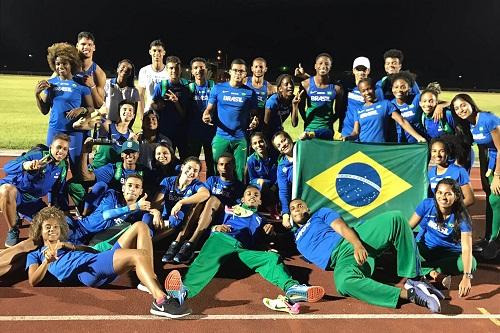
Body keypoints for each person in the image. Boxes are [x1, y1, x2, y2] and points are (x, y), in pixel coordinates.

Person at [164, 185, 325, 309]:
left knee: (272, 258)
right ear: (242, 199)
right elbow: (207, 224)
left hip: (240, 253)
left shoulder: (262, 221)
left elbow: (260, 245)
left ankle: (292, 289)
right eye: (249, 194)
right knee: (209, 254)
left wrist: (269, 235)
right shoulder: (230, 210)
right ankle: (182, 292)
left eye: (256, 195)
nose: (253, 197)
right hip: (222, 241)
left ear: (260, 201)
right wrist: (215, 228)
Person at [25, 206, 190, 318]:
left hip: (97, 259)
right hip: (88, 271)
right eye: (47, 227)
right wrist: (46, 262)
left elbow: (93, 252)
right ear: (39, 230)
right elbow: (33, 280)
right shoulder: (36, 255)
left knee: (140, 226)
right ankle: (160, 300)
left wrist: (72, 246)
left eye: (56, 227)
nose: (52, 229)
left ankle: (149, 281)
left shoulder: (67, 244)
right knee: (138, 255)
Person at [288, 198, 443, 313]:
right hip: (341, 260)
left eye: (299, 205)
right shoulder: (295, 239)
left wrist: (357, 244)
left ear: (307, 209)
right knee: (343, 284)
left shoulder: (320, 214)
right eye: (292, 208)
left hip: (354, 240)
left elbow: (341, 227)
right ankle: (410, 294)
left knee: (395, 218)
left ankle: (414, 278)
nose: (296, 209)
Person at [163, 153, 244, 264]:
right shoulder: (212, 180)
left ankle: (192, 242)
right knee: (200, 199)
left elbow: (236, 209)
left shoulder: (239, 186)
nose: (224, 167)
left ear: (234, 166)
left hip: (220, 218)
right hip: (204, 216)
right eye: (221, 164)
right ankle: (178, 241)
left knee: (213, 199)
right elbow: (202, 195)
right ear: (217, 166)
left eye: (228, 165)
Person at [451, 94, 500, 259]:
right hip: (490, 162)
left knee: (495, 199)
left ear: (471, 104)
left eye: (463, 105)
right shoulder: (469, 125)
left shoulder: (488, 119)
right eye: (457, 108)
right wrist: (485, 172)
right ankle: (488, 237)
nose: (460, 110)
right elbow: (482, 148)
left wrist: (498, 175)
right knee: (489, 198)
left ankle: (495, 241)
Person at [409, 179, 476, 296]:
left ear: (456, 196)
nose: (443, 197)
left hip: (449, 254)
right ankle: (433, 273)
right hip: (426, 249)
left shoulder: (462, 217)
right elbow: (408, 228)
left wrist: (467, 277)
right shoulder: (426, 204)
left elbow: (467, 248)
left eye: (448, 194)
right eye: (439, 193)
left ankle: (426, 270)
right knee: (401, 252)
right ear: (435, 194)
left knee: (472, 264)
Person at [0, 134, 70, 247]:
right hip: (16, 193)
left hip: (32, 202)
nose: (61, 151)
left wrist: (54, 207)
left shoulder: (62, 167)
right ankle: (13, 229)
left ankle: (18, 213)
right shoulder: (37, 155)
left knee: (50, 230)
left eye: (65, 149)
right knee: (6, 190)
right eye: (58, 147)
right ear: (51, 147)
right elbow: (8, 167)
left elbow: (58, 191)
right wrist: (25, 165)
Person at [34, 42, 94, 173]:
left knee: (77, 168)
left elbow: (91, 108)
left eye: (64, 63)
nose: (60, 66)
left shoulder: (81, 85)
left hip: (74, 132)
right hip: (55, 131)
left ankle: (77, 193)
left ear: (71, 64)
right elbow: (44, 110)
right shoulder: (51, 84)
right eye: (57, 64)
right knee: (51, 168)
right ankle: (54, 194)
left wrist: (81, 110)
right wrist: (37, 94)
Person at [202, 59, 259, 181]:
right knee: (217, 168)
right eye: (235, 70)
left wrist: (254, 121)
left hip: (240, 138)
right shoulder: (218, 88)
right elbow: (209, 109)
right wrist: (206, 114)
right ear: (230, 72)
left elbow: (254, 114)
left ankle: (237, 196)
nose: (238, 73)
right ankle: (215, 194)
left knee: (239, 171)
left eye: (241, 71)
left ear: (245, 74)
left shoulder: (250, 93)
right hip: (221, 136)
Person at [152, 156, 210, 262]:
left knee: (176, 217)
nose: (191, 172)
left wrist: (181, 202)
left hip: (179, 222)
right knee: (147, 217)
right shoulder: (168, 181)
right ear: (182, 167)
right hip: (163, 217)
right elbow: (155, 203)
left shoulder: (195, 184)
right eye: (189, 168)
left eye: (195, 170)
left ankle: (149, 242)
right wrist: (156, 213)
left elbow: (205, 193)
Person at [341, 78, 426, 143]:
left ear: (374, 89)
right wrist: (348, 138)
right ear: (360, 93)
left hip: (381, 149)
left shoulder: (385, 104)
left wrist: (419, 137)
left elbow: (402, 121)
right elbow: (355, 132)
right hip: (364, 148)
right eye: (363, 91)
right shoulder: (358, 111)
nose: (367, 92)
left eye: (369, 89)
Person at [75, 100, 137, 170]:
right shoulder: (107, 125)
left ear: (133, 116)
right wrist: (98, 113)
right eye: (124, 109)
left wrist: (131, 144)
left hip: (114, 173)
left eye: (130, 110)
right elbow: (78, 126)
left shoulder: (131, 136)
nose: (127, 112)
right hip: (97, 168)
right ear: (119, 112)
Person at [151, 56, 192, 159]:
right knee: (166, 160)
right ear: (167, 69)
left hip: (183, 131)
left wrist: (176, 102)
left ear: (180, 69)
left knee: (185, 160)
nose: (174, 71)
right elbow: (152, 103)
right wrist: (157, 106)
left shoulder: (187, 87)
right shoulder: (161, 86)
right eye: (171, 68)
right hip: (165, 131)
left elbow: (184, 114)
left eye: (176, 68)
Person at [297, 53, 344, 140]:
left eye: (327, 64)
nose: (323, 66)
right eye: (320, 63)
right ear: (315, 66)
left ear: (330, 67)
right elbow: (301, 108)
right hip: (308, 131)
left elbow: (338, 112)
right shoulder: (305, 84)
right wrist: (307, 121)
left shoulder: (337, 88)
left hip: (327, 131)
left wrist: (328, 123)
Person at [186, 57, 216, 178]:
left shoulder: (213, 86)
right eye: (195, 68)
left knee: (211, 163)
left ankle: (210, 189)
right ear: (192, 71)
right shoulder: (189, 88)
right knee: (192, 163)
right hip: (194, 131)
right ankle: (192, 188)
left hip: (210, 131)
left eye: (201, 68)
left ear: (206, 70)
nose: (199, 70)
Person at [341, 57, 384, 139]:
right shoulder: (347, 88)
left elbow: (380, 111)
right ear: (353, 71)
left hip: (367, 133)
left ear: (368, 71)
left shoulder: (376, 89)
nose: (361, 72)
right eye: (358, 69)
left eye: (364, 69)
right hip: (348, 132)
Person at [428, 138, 474, 206]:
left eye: (442, 151)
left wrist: (450, 210)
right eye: (434, 151)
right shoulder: (430, 173)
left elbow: (470, 199)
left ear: (447, 152)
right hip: (438, 215)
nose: (438, 155)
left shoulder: (459, 171)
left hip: (456, 215)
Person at [390, 71, 427, 143]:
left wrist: (439, 107)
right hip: (400, 145)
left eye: (403, 87)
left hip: (419, 142)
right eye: (396, 87)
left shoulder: (417, 99)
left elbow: (440, 102)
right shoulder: (390, 104)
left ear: (409, 88)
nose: (399, 90)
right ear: (392, 89)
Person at [246, 132, 278, 213]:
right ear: (252, 146)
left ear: (265, 142)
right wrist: (258, 180)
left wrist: (274, 186)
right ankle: (267, 209)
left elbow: (280, 174)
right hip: (261, 185)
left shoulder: (274, 156)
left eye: (260, 141)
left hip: (276, 184)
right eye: (255, 143)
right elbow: (252, 178)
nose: (258, 145)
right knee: (256, 189)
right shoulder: (251, 160)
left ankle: (274, 208)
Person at [263, 74, 301, 141]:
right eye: (286, 84)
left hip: (278, 131)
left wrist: (295, 105)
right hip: (268, 132)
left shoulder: (293, 99)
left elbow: (294, 124)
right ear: (280, 88)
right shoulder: (272, 101)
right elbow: (265, 124)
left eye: (291, 83)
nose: (290, 86)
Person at [137, 39, 169, 119]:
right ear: (150, 52)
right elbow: (140, 95)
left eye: (159, 51)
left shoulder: (169, 71)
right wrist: (141, 116)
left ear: (164, 52)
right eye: (154, 50)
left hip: (165, 113)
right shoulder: (144, 71)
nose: (157, 53)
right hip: (149, 113)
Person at [75, 31, 106, 109]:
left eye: (89, 44)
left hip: (84, 118)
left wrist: (92, 86)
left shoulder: (99, 73)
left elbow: (99, 105)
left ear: (94, 47)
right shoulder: (68, 65)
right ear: (77, 46)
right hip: (65, 115)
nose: (86, 47)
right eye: (83, 44)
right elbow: (52, 83)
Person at [245, 57, 277, 131]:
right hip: (243, 120)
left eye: (261, 67)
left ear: (265, 69)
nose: (258, 69)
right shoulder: (244, 82)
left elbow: (271, 109)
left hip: (260, 123)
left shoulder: (270, 88)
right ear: (252, 68)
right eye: (256, 67)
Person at [104, 59, 140, 124]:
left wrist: (127, 128)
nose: (125, 69)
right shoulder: (107, 84)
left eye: (128, 69)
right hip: (106, 124)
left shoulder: (134, 91)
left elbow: (133, 113)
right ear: (117, 69)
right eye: (123, 67)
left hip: (122, 126)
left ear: (130, 73)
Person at [272, 131, 295, 228]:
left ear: (289, 138)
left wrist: (311, 134)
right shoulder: (282, 167)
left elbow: (326, 134)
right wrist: (285, 214)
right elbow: (283, 191)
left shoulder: (304, 147)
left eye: (284, 140)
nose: (283, 145)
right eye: (279, 145)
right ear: (278, 150)